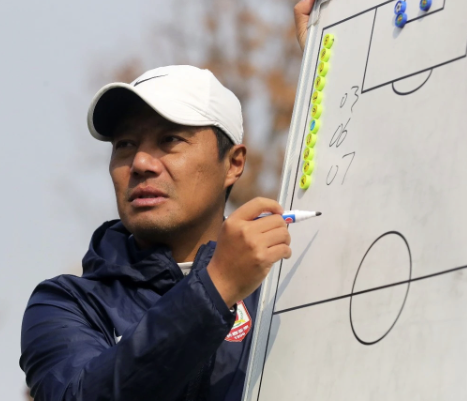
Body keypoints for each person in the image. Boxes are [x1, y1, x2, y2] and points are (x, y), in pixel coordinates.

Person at [20, 1, 315, 400]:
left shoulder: (291, 275)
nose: (141, 163)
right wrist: (216, 287)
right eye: (125, 144)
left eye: (170, 140)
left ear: (233, 163)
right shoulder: (68, 303)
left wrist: (337, 43)